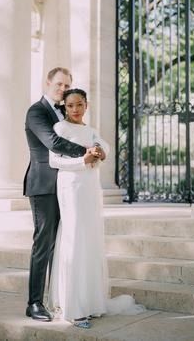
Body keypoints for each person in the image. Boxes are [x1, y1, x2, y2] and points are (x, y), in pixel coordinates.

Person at [48, 88, 145, 329]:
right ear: (65, 107)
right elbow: (54, 161)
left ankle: (88, 302)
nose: (75, 109)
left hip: (90, 188)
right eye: (70, 105)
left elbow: (105, 148)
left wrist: (100, 152)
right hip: (71, 187)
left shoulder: (91, 130)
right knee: (75, 238)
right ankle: (72, 306)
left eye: (79, 104)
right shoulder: (60, 129)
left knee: (89, 240)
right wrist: (83, 160)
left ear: (86, 105)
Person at [23, 68, 103, 322]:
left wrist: (97, 149)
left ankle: (57, 297)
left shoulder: (64, 112)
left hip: (66, 186)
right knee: (43, 244)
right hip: (44, 186)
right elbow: (53, 144)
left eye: (67, 84)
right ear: (48, 83)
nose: (62, 89)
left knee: (62, 244)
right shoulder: (36, 111)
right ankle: (34, 302)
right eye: (58, 84)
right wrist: (87, 151)